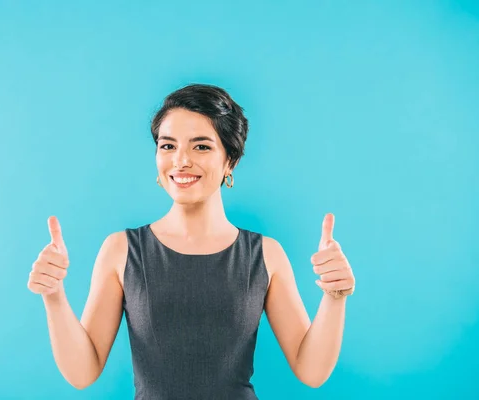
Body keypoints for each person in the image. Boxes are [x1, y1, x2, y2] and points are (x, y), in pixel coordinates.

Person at [27, 84, 356, 399]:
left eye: (201, 146)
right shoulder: (122, 251)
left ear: (231, 161)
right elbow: (83, 372)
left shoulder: (265, 255)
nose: (181, 160)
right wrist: (54, 297)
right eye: (168, 146)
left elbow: (311, 370)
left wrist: (334, 298)